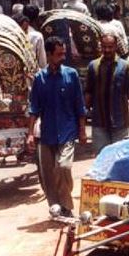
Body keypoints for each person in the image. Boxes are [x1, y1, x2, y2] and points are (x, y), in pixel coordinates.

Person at [27, 36, 87, 216]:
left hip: (68, 131)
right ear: (49, 54)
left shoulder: (71, 75)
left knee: (63, 167)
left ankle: (67, 206)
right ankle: (56, 207)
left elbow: (80, 105)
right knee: (48, 174)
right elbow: (34, 108)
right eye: (59, 54)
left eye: (63, 54)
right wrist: (30, 134)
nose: (62, 57)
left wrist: (82, 130)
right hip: (47, 134)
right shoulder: (39, 79)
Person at [85, 33, 129, 154]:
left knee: (120, 157)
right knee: (102, 158)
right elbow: (88, 92)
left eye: (110, 47)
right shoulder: (93, 66)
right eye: (104, 46)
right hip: (99, 122)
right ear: (100, 46)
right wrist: (83, 115)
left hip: (120, 122)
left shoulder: (125, 66)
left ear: (115, 47)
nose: (107, 50)